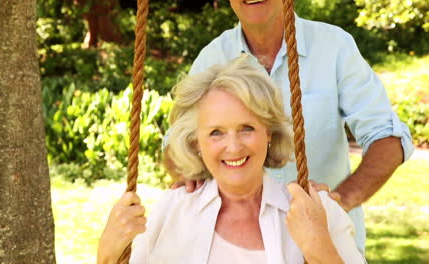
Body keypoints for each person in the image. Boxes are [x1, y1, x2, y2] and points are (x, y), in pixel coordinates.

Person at [165, 0, 414, 252]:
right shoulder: (213, 56)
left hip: (326, 242)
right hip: (239, 249)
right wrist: (187, 173)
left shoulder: (334, 46)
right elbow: (176, 144)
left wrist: (338, 203)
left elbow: (388, 137)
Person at [98, 55, 365, 263]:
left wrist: (320, 251)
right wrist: (107, 254)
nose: (233, 146)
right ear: (196, 142)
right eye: (216, 133)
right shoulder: (171, 212)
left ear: (269, 133)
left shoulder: (318, 213)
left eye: (246, 128)